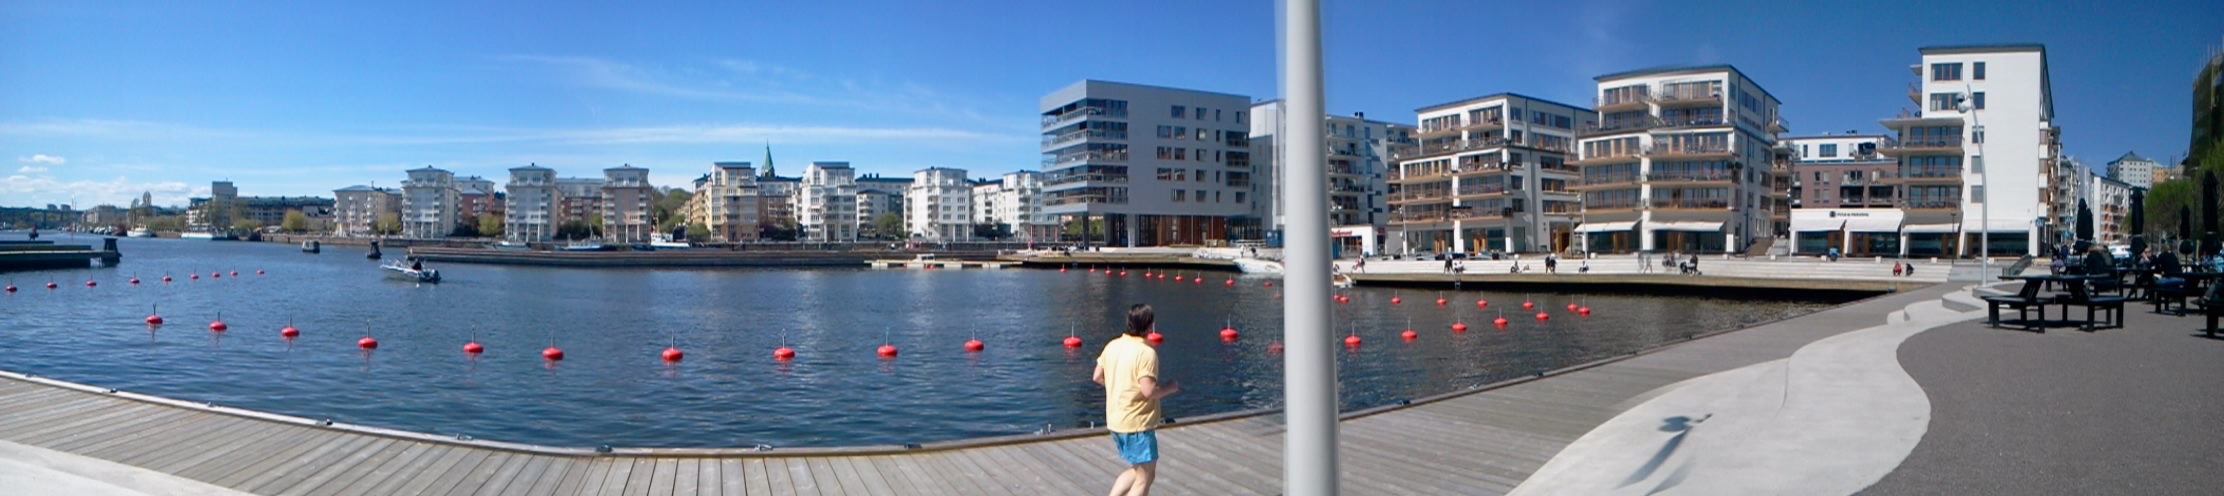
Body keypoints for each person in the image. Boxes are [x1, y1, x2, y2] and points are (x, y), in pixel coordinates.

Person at [1094, 304, 1177, 496]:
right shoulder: (1146, 353)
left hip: (1116, 421)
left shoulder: (1112, 345)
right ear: (1150, 326)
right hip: (1137, 425)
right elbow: (1148, 391)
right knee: (1144, 478)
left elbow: (1097, 376)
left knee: (1141, 471)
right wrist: (1170, 388)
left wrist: (1119, 387)